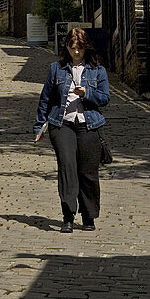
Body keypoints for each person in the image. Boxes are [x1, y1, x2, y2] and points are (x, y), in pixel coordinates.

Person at [33, 27, 110, 233]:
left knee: (88, 173)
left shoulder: (98, 71)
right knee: (67, 167)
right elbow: (46, 99)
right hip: (62, 125)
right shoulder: (56, 69)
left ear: (86, 48)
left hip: (89, 124)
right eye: (72, 48)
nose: (76, 52)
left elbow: (105, 99)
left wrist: (87, 93)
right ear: (66, 47)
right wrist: (39, 126)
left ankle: (88, 216)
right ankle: (68, 216)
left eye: (80, 48)